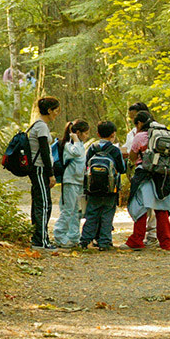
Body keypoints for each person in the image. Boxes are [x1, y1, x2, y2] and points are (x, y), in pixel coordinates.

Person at [125, 111, 170, 250]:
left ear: (140, 123)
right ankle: (166, 243)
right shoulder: (167, 133)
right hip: (164, 175)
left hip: (144, 175)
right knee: (162, 209)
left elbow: (132, 157)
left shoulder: (140, 136)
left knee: (140, 207)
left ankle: (137, 240)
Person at [81, 120, 126, 251]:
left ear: (98, 133)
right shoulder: (115, 150)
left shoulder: (92, 148)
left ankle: (85, 240)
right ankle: (104, 242)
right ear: (113, 134)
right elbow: (122, 169)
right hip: (110, 190)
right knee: (107, 215)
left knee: (91, 214)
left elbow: (86, 166)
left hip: (93, 189)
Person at [28, 96, 61, 250]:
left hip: (38, 169)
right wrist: (50, 173)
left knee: (40, 202)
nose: (57, 114)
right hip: (40, 168)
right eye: (56, 110)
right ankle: (41, 240)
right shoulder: (41, 127)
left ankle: (38, 237)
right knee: (44, 204)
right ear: (49, 110)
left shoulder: (39, 125)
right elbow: (44, 151)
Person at [124, 102, 157, 247]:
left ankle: (148, 236)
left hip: (143, 171)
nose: (133, 121)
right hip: (157, 172)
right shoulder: (158, 131)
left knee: (143, 205)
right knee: (154, 204)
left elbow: (132, 154)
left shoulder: (141, 134)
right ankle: (155, 236)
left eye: (134, 119)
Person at [53, 119, 90, 248]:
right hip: (70, 182)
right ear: (78, 133)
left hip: (79, 183)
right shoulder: (69, 145)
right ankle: (59, 235)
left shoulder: (78, 145)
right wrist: (75, 139)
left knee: (77, 211)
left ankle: (73, 236)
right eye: (85, 134)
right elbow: (77, 152)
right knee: (67, 210)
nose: (86, 136)